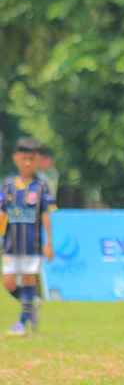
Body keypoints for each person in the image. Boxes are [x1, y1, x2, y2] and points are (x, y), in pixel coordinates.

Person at [2, 137, 56, 336]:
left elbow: (45, 215)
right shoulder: (7, 185)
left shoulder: (41, 187)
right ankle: (31, 303)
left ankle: (22, 324)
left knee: (28, 280)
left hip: (32, 244)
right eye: (24, 158)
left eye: (32, 159)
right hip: (10, 244)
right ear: (16, 158)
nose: (27, 163)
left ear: (39, 161)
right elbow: (2, 211)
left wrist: (49, 243)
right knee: (7, 281)